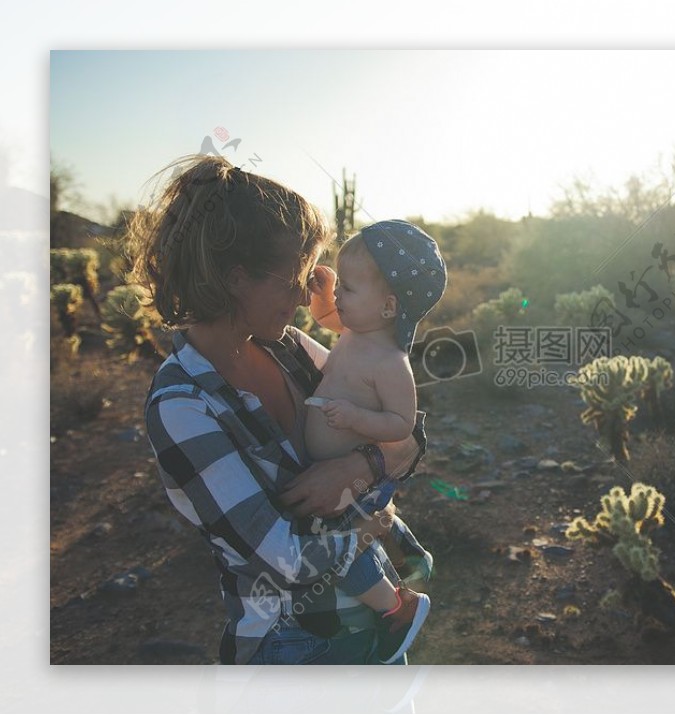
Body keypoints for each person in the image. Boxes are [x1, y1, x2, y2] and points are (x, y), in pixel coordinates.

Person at [129, 155, 427, 665]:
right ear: (236, 279)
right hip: (295, 644)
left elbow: (410, 435)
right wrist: (368, 521)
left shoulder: (288, 347)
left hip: (372, 625)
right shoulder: (183, 406)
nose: (307, 294)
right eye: (295, 278)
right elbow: (282, 559)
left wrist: (361, 466)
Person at [298, 220, 446, 664]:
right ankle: (408, 549)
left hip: (351, 478)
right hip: (337, 472)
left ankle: (398, 607)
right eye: (340, 285)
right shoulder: (355, 332)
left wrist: (358, 416)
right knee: (354, 526)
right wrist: (326, 291)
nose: (340, 297)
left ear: (388, 306)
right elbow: (327, 317)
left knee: (338, 546)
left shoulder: (389, 362)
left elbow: (401, 423)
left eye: (349, 288)